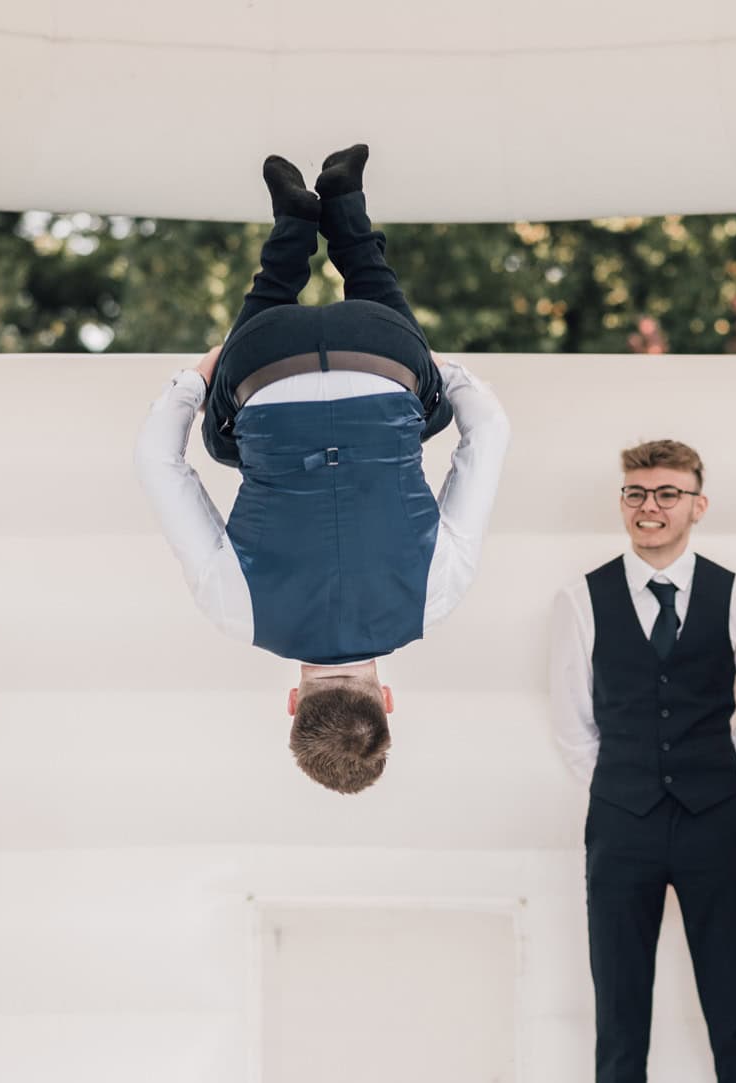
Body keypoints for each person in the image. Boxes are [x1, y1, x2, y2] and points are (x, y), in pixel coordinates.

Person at [135, 144, 510, 794]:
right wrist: (200, 377)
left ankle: (346, 209)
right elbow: (157, 460)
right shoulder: (237, 615)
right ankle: (290, 229)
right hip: (262, 355)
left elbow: (490, 431)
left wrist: (434, 368)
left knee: (427, 418)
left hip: (382, 344)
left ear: (385, 699)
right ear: (292, 704)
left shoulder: (437, 597)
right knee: (225, 445)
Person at [548, 439, 736, 1083]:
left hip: (718, 825)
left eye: (667, 492)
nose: (649, 506)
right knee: (622, 1026)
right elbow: (572, 724)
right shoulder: (582, 599)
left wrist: (720, 777)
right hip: (620, 828)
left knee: (735, 1019)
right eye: (635, 492)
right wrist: (624, 788)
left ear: (697, 503)